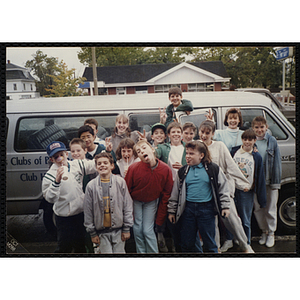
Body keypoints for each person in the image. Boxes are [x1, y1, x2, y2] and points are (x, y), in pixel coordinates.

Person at [198, 120, 253, 253]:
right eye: (202, 132)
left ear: (213, 133)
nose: (204, 135)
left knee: (232, 218)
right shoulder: (197, 146)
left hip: (222, 187)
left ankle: (245, 245)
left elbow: (231, 166)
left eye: (207, 133)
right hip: (205, 188)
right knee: (212, 220)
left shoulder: (220, 146)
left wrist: (243, 182)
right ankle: (215, 247)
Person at [168, 141, 231, 253]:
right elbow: (175, 193)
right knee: (187, 243)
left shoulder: (213, 169)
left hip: (206, 210)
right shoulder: (183, 172)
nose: (187, 156)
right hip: (188, 210)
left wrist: (225, 206)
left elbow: (223, 188)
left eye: (191, 154)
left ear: (201, 155)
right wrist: (172, 211)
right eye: (186, 153)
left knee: (210, 243)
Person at [42, 141, 98, 253]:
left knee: (80, 245)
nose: (60, 158)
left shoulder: (76, 165)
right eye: (56, 157)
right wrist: (56, 181)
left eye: (61, 155)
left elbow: (94, 165)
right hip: (64, 217)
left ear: (66, 154)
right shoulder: (49, 175)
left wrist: (107, 152)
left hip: (79, 213)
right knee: (64, 246)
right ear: (52, 159)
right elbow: (49, 198)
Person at [125, 140, 173, 253]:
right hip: (136, 200)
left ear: (152, 149)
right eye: (138, 151)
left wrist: (160, 218)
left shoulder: (165, 169)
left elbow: (167, 194)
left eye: (144, 148)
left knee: (147, 230)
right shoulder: (133, 168)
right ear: (138, 157)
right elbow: (126, 190)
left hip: (151, 201)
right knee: (137, 229)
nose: (142, 151)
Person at [84, 152, 133, 254]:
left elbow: (127, 206)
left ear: (112, 165)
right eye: (99, 163)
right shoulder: (91, 186)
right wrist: (92, 233)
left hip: (119, 231)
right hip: (101, 233)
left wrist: (127, 228)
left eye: (105, 163)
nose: (102, 165)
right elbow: (88, 210)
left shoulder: (120, 182)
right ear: (96, 167)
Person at [231, 129, 267, 245]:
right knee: (233, 218)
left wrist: (258, 194)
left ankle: (247, 242)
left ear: (254, 141)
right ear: (242, 139)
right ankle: (235, 239)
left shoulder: (256, 156)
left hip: (246, 191)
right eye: (245, 139)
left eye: (250, 140)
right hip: (233, 189)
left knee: (246, 219)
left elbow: (259, 176)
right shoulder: (234, 152)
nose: (247, 142)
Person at [251, 116, 282, 248]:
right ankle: (264, 231)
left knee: (270, 207)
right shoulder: (250, 141)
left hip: (270, 179)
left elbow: (277, 162)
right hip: (256, 181)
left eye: (262, 127)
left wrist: (276, 182)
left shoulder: (272, 141)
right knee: (258, 208)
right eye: (256, 127)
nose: (259, 130)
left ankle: (271, 233)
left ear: (266, 127)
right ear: (253, 128)